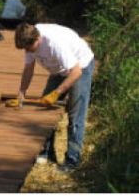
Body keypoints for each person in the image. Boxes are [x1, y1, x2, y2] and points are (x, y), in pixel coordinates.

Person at [15, 22, 95, 171]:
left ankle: (72, 160)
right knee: (44, 110)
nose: (27, 51)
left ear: (37, 40)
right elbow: (28, 68)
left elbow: (76, 72)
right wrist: (22, 92)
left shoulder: (55, 44)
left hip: (80, 66)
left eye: (28, 48)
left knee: (75, 114)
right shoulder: (28, 38)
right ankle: (46, 153)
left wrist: (57, 93)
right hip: (59, 69)